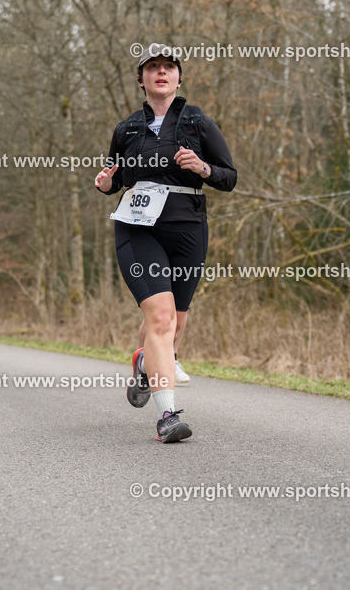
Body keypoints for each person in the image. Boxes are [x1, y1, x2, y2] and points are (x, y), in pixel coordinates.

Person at [94, 44, 236, 442]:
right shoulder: (126, 129)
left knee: (177, 321)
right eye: (152, 67)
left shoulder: (199, 123)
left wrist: (203, 167)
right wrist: (107, 183)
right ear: (141, 79)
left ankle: (144, 362)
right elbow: (113, 177)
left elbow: (229, 176)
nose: (161, 73)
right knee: (160, 317)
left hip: (188, 226)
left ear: (178, 77)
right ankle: (167, 416)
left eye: (168, 67)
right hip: (138, 227)